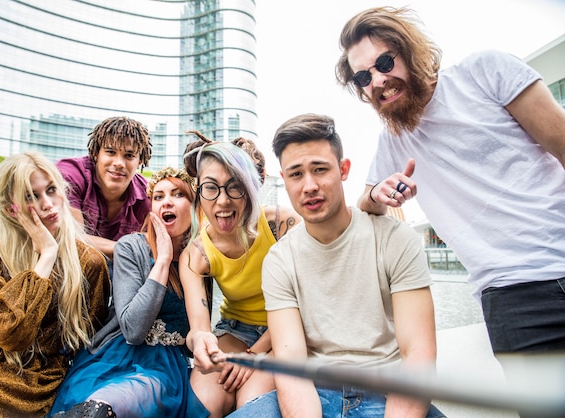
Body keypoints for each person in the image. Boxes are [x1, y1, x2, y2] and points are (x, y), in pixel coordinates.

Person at [334, 6, 565, 355]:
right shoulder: (393, 140)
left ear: (409, 49)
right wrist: (379, 194)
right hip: (510, 299)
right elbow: (366, 202)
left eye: (384, 63)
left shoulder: (484, 72)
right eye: (364, 78)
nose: (378, 81)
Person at [229, 113, 444, 418]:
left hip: (389, 392)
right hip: (314, 393)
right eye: (296, 175)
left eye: (320, 169)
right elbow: (292, 369)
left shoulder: (396, 239)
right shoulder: (280, 260)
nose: (309, 185)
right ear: (284, 179)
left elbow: (417, 357)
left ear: (343, 169)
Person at [0, 152, 110, 418]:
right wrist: (46, 258)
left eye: (51, 190)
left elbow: (91, 341)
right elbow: (8, 333)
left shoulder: (89, 262)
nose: (47, 204)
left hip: (36, 377)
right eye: (31, 196)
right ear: (11, 209)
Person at [48, 167, 209, 418]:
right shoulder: (130, 247)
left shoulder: (201, 258)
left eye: (178, 195)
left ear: (194, 206)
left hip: (164, 367)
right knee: (95, 408)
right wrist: (163, 262)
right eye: (158, 196)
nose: (166, 201)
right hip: (114, 356)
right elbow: (133, 330)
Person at [180, 140, 301, 417]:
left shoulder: (282, 225)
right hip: (236, 331)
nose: (223, 200)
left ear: (249, 188)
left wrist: (254, 355)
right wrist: (200, 341)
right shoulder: (196, 254)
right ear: (200, 192)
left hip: (288, 327)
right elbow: (199, 328)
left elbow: (308, 301)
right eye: (211, 187)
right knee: (205, 406)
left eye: (234, 186)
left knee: (251, 406)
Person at [56, 116, 153, 261]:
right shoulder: (71, 175)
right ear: (96, 153)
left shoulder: (148, 195)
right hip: (68, 268)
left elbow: (155, 244)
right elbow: (72, 239)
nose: (119, 163)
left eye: (129, 155)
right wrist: (126, 248)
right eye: (110, 152)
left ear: (140, 161)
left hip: (122, 275)